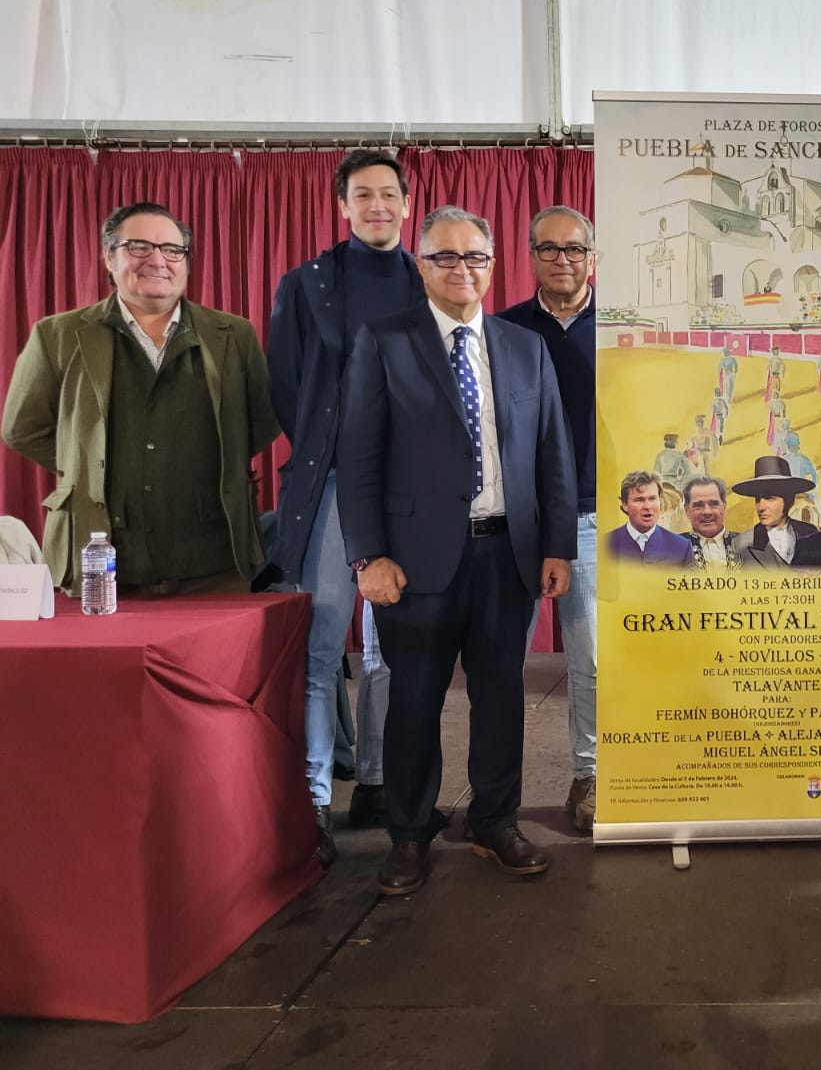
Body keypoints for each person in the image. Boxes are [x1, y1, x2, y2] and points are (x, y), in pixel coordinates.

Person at [338, 206, 575, 897]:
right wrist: (367, 556)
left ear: (494, 266)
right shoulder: (384, 342)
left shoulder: (523, 347)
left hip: (508, 558)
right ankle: (409, 836)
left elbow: (552, 455)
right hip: (414, 564)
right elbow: (358, 460)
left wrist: (556, 544)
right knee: (414, 701)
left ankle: (493, 821)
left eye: (475, 257)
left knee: (501, 698)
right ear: (421, 265)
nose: (462, 270)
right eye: (445, 257)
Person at [268, 150, 425, 861]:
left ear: (406, 201)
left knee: (392, 647)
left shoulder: (431, 281)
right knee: (324, 644)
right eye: (363, 195)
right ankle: (312, 802)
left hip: (410, 491)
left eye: (388, 194)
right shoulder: (306, 285)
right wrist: (338, 455)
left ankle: (379, 785)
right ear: (342, 206)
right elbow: (286, 385)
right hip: (333, 483)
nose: (377, 206)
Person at [4, 202, 278, 598]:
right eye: (139, 247)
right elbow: (23, 429)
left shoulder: (234, 335)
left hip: (214, 560)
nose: (158, 260)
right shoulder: (57, 335)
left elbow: (263, 420)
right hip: (98, 559)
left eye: (172, 249)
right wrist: (92, 461)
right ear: (108, 257)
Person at [498, 204, 601, 832]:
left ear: (593, 257)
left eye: (574, 248)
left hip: (591, 512)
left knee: (589, 657)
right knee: (497, 658)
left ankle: (590, 775)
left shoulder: (624, 329)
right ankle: (495, 795)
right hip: (513, 516)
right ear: (529, 254)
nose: (562, 259)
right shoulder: (503, 331)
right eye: (548, 248)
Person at [729, 456, 819, 569]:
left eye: (769, 498)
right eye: (757, 499)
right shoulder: (741, 544)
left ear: (789, 500)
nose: (760, 507)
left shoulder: (810, 533)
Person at [607, 470, 693, 566]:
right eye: (639, 500)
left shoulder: (682, 548)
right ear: (625, 505)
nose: (647, 506)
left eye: (652, 499)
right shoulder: (605, 544)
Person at [681, 476, 740, 570]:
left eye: (713, 504)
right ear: (687, 510)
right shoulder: (673, 548)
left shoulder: (746, 546)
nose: (707, 512)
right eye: (698, 505)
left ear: (724, 507)